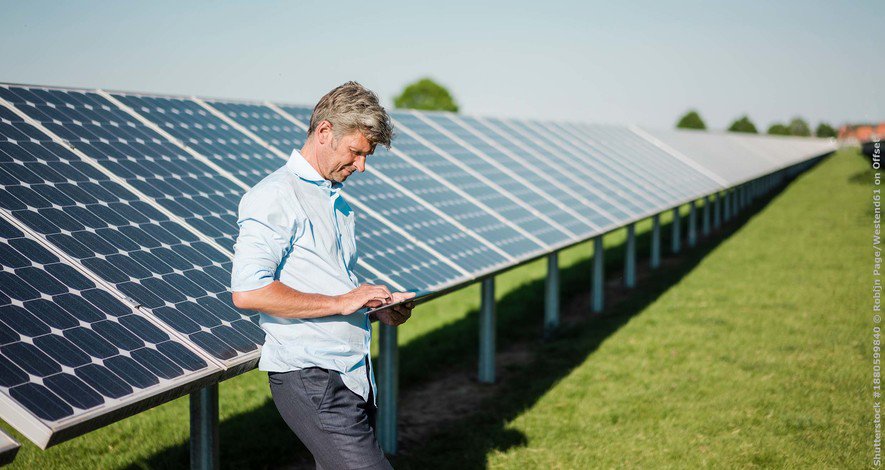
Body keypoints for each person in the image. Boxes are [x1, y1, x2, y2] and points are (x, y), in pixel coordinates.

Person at [230, 81, 415, 470]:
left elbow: (328, 282)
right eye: (356, 152)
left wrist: (373, 309)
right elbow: (248, 291)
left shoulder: (337, 201)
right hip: (311, 375)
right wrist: (343, 301)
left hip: (351, 374)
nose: (361, 166)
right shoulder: (275, 195)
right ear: (325, 132)